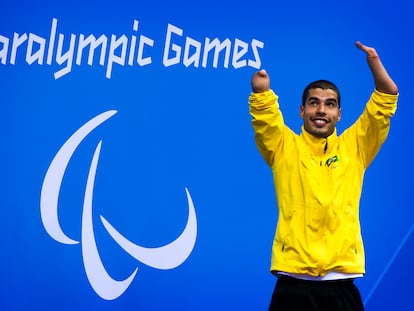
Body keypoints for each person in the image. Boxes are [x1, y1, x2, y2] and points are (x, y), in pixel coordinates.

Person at [248, 41, 398, 311]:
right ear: (301, 111)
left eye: (330, 105)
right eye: (313, 103)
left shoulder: (357, 146)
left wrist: (374, 62)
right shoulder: (283, 147)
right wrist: (262, 92)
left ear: (339, 114)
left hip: (341, 285)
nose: (321, 110)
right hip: (292, 284)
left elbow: (386, 97)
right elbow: (265, 118)